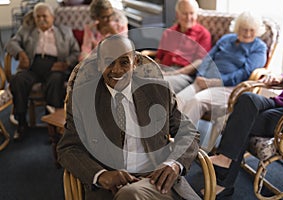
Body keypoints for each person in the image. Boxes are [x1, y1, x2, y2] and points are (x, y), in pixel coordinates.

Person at [57, 35, 201, 200]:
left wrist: (174, 164)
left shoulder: (158, 92)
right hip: (112, 188)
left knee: (131, 194)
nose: (117, 70)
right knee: (129, 194)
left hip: (158, 182)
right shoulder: (82, 99)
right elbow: (68, 148)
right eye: (109, 62)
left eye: (124, 62)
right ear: (99, 65)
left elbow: (189, 132)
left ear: (135, 63)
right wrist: (101, 175)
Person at [208, 62, 283, 199]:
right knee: (248, 99)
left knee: (245, 122)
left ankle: (224, 182)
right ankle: (225, 158)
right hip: (278, 103)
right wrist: (275, 77)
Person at [177, 11, 267, 125]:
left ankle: (182, 140)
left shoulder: (259, 48)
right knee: (178, 100)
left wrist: (216, 82)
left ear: (257, 31)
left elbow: (244, 74)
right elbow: (208, 58)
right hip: (203, 81)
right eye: (244, 29)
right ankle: (165, 138)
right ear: (238, 28)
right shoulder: (226, 39)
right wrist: (201, 76)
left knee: (197, 101)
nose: (248, 33)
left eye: (252, 30)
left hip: (229, 87)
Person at [5, 2, 80, 140]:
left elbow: (75, 52)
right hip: (32, 66)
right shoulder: (26, 30)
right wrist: (21, 53)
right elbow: (11, 43)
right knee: (18, 79)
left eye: (44, 16)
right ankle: (21, 122)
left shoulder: (65, 31)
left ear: (52, 17)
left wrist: (66, 63)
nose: (41, 20)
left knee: (56, 79)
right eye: (37, 17)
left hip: (54, 66)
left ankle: (51, 123)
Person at [155, 0, 211, 93]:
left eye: (192, 13)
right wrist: (154, 70)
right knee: (139, 82)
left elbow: (199, 62)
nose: (189, 17)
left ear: (196, 14)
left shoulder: (203, 34)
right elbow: (158, 58)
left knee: (160, 85)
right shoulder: (169, 33)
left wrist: (172, 73)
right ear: (177, 14)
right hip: (164, 70)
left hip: (184, 75)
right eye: (185, 14)